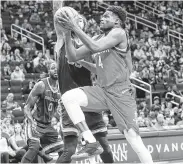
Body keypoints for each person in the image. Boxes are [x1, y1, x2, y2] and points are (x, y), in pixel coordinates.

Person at [56, 5, 153, 163]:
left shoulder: (119, 33)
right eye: (102, 16)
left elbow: (95, 47)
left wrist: (74, 26)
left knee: (134, 140)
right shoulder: (99, 37)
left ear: (117, 21)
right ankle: (91, 142)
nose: (102, 18)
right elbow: (72, 56)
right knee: (68, 98)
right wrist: (67, 33)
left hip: (120, 93)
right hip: (102, 91)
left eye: (107, 16)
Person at [54, 13, 113, 163]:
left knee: (105, 146)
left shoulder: (90, 45)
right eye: (75, 18)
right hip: (68, 101)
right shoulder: (62, 41)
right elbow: (58, 18)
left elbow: (99, 68)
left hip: (88, 99)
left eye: (80, 19)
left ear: (84, 25)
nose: (77, 20)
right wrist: (61, 12)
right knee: (70, 149)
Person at [21, 62, 62, 163]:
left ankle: (43, 153)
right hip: (34, 122)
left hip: (47, 126)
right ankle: (40, 152)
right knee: (34, 148)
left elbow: (55, 109)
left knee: (64, 148)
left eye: (57, 68)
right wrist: (32, 122)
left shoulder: (60, 89)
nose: (56, 70)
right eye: (53, 68)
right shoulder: (41, 85)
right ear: (49, 71)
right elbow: (27, 107)